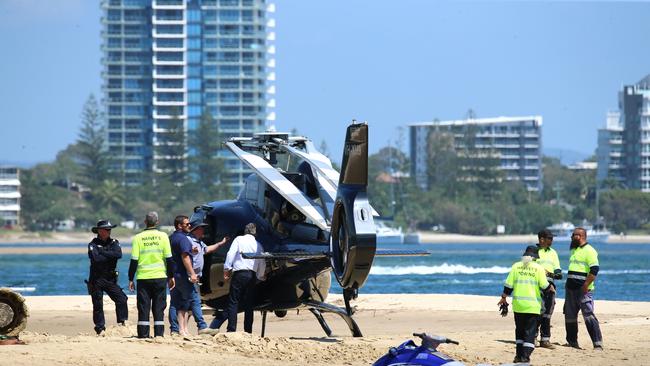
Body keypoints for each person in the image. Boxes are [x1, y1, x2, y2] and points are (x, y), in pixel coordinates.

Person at [498, 245, 554, 364]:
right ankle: (525, 357)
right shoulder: (538, 268)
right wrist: (551, 288)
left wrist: (503, 298)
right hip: (532, 306)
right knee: (530, 332)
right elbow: (545, 286)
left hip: (518, 306)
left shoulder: (516, 266)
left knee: (520, 331)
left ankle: (519, 356)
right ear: (535, 257)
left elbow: (508, 285)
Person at [209, 223, 265, 333]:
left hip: (239, 274)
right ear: (255, 233)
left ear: (245, 231)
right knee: (249, 304)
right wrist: (260, 276)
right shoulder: (258, 244)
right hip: (251, 275)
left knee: (233, 302)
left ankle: (231, 329)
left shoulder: (239, 239)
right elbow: (261, 262)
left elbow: (230, 254)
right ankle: (248, 331)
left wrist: (227, 269)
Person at [128, 212, 175, 338]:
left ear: (145, 222)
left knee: (143, 307)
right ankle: (159, 335)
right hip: (160, 277)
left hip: (143, 278)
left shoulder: (138, 238)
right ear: (157, 222)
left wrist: (130, 278)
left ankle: (143, 334)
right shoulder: (163, 236)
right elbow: (169, 259)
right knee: (159, 307)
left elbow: (134, 260)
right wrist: (171, 276)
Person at [186, 220, 229, 334]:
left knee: (190, 302)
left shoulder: (199, 242)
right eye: (201, 228)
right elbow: (183, 254)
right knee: (193, 301)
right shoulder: (189, 241)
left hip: (196, 277)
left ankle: (183, 328)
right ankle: (201, 326)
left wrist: (221, 244)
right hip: (190, 276)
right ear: (195, 230)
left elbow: (207, 249)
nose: (203, 231)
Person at [564, 227, 603, 350]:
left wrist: (585, 285)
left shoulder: (590, 251)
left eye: (573, 235)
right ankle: (572, 342)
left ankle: (597, 344)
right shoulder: (574, 250)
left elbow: (594, 270)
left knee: (589, 316)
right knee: (569, 316)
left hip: (583, 290)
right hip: (570, 289)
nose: (571, 238)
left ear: (579, 236)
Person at [86, 219, 128, 335]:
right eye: (106, 229)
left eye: (109, 229)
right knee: (98, 304)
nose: (109, 231)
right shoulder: (92, 244)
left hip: (110, 278)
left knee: (122, 299)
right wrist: (109, 255)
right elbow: (96, 259)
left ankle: (122, 323)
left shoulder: (114, 242)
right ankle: (100, 328)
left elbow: (118, 254)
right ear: (99, 231)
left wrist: (102, 252)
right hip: (96, 279)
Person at [168, 215, 199, 337]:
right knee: (188, 301)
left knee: (174, 303)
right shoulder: (183, 239)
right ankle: (189, 328)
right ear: (180, 225)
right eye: (187, 224)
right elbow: (185, 257)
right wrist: (192, 273)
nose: (190, 226)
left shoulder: (171, 238)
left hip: (172, 275)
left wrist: (192, 251)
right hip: (182, 275)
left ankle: (175, 329)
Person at [535, 229, 562, 348]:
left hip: (550, 286)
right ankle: (533, 338)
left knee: (547, 312)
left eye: (552, 238)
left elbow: (558, 271)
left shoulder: (553, 252)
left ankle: (545, 340)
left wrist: (554, 274)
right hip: (536, 286)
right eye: (549, 238)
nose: (552, 240)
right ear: (541, 239)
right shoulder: (533, 251)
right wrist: (542, 272)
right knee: (537, 311)